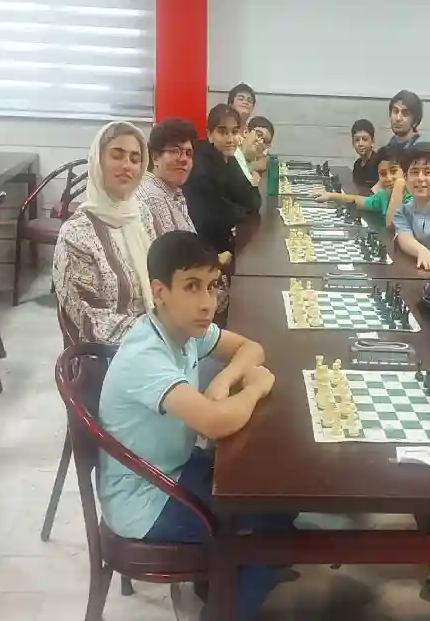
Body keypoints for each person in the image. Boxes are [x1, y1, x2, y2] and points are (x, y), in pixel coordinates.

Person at [98, 230, 292, 621]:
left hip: (172, 470)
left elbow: (251, 348)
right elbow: (216, 422)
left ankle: (226, 585)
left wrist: (224, 380)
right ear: (160, 292)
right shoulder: (145, 355)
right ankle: (227, 601)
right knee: (273, 537)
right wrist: (254, 387)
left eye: (212, 286)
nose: (207, 302)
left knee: (277, 498)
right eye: (191, 286)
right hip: (146, 500)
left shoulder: (183, 330)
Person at [53, 121, 156, 345]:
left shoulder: (140, 214)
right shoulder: (76, 234)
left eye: (135, 159)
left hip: (157, 339)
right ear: (98, 161)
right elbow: (94, 322)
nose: (127, 165)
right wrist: (161, 336)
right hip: (109, 354)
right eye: (117, 156)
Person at [184, 104, 261, 259]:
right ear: (210, 134)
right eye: (223, 132)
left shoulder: (228, 157)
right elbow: (215, 218)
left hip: (221, 241)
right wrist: (242, 211)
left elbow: (253, 199)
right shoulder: (200, 166)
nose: (230, 139)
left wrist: (239, 210)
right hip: (202, 251)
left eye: (234, 132)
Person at [314, 146, 410, 229]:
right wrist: (330, 196)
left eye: (393, 171)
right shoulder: (384, 196)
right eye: (383, 174)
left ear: (405, 172)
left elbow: (391, 224)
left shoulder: (412, 200)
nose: (388, 178)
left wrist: (399, 185)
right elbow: (358, 200)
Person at [138, 118, 198, 236]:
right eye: (175, 151)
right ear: (155, 157)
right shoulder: (152, 198)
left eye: (188, 153)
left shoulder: (171, 194)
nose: (184, 159)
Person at [227, 83, 258, 181]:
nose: (245, 102)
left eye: (249, 100)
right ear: (230, 104)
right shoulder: (223, 133)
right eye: (241, 98)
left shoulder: (254, 135)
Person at [240, 115, 274, 185]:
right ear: (245, 132)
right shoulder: (230, 153)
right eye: (259, 135)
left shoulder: (256, 171)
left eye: (265, 141)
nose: (261, 142)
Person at [350, 119, 379, 190]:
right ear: (353, 143)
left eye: (365, 139)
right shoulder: (357, 164)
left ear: (372, 141)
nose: (360, 144)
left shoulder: (379, 164)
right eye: (357, 140)